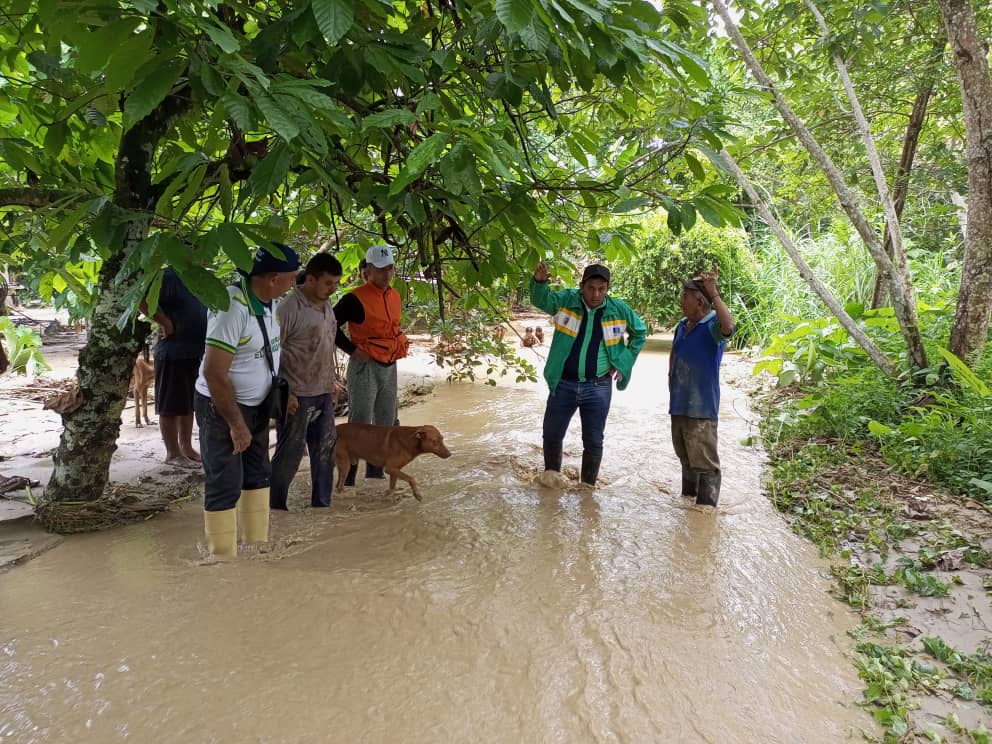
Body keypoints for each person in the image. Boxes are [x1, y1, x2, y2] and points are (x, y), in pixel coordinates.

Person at [194, 244, 300, 556]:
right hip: (224, 408)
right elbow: (214, 373)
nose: (294, 283)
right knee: (225, 480)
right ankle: (222, 558)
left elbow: (265, 354)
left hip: (255, 406)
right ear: (271, 278)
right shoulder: (232, 307)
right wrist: (236, 425)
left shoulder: (268, 302)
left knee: (257, 475)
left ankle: (257, 548)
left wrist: (283, 392)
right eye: (291, 278)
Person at [530, 261, 647, 486]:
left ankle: (587, 489)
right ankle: (551, 483)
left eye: (601, 289)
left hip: (599, 386)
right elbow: (540, 299)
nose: (596, 294)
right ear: (581, 285)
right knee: (552, 435)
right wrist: (539, 282)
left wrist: (623, 361)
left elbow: (640, 333)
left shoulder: (618, 310)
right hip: (563, 383)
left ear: (607, 288)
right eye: (591, 288)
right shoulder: (565, 301)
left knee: (593, 441)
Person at [269, 253, 343, 510]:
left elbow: (327, 345)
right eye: (328, 283)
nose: (332, 289)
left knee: (325, 453)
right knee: (289, 455)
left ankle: (322, 507)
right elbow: (271, 353)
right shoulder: (287, 308)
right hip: (296, 394)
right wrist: (284, 393)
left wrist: (333, 383)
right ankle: (274, 507)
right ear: (310, 279)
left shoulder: (327, 305)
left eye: (335, 284)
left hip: (322, 390)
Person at [333, 245, 409, 485]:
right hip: (364, 367)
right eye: (380, 270)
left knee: (387, 421)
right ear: (368, 271)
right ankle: (349, 481)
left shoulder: (395, 295)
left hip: (390, 365)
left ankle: (375, 477)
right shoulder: (354, 299)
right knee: (360, 423)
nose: (386, 275)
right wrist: (352, 350)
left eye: (390, 269)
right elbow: (329, 325)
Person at [669, 264, 735, 507]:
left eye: (685, 297)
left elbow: (729, 327)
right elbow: (675, 351)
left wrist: (713, 292)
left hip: (702, 408)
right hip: (679, 404)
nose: (681, 300)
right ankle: (688, 503)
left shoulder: (712, 326)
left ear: (699, 302)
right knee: (686, 457)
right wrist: (670, 375)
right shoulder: (682, 325)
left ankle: (705, 511)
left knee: (705, 463)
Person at [144, 268, 207, 468]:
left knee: (188, 403)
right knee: (170, 405)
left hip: (193, 350)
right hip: (174, 350)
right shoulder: (170, 276)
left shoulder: (196, 277)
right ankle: (173, 453)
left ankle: (186, 448)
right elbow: (142, 299)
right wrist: (163, 322)